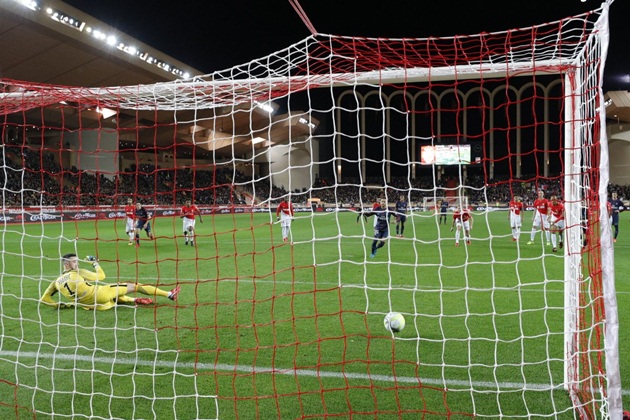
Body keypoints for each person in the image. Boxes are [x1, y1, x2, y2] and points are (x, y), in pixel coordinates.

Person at [40, 254, 180, 310]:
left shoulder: (56, 282)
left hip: (93, 306)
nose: (77, 263)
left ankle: (134, 300)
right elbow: (101, 276)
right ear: (66, 264)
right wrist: (95, 263)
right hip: (101, 295)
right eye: (74, 261)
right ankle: (169, 294)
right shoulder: (78, 272)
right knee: (134, 285)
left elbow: (44, 299)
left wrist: (61, 305)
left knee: (114, 294)